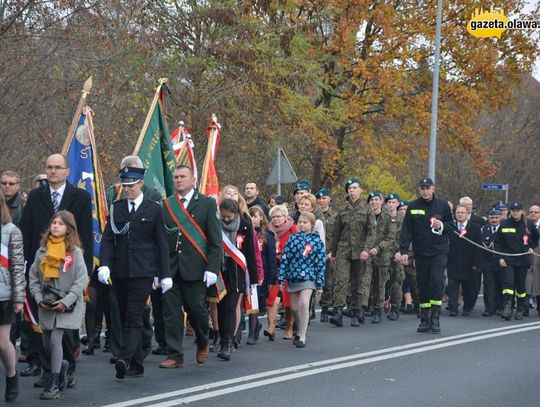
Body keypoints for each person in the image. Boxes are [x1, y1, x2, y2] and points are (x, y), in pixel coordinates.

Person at [22, 154, 92, 386]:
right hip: (41, 267)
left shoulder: (80, 197)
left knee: (64, 326)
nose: (53, 171)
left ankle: (67, 369)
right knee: (42, 325)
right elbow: (27, 231)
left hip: (68, 269)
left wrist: (87, 271)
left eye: (58, 167)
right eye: (49, 167)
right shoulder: (35, 196)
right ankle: (46, 369)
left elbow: (85, 234)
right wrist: (24, 264)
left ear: (67, 171)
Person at [98, 166, 171, 379]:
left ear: (140, 183)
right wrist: (105, 264)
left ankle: (124, 357)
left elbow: (161, 243)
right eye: (125, 185)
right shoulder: (117, 208)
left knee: (134, 316)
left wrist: (164, 273)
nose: (127, 189)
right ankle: (137, 365)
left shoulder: (154, 208)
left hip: (143, 271)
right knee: (122, 314)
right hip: (120, 271)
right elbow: (109, 240)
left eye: (131, 185)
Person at [160, 165, 222, 368]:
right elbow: (160, 239)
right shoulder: (167, 204)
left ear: (192, 179)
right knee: (171, 312)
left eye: (183, 176)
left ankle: (203, 340)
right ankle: (175, 354)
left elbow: (215, 241)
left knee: (197, 310)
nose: (178, 180)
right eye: (176, 177)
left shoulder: (206, 204)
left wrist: (212, 269)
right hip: (171, 268)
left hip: (196, 268)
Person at [28, 211, 87, 399]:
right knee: (46, 343)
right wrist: (38, 298)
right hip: (46, 304)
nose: (55, 226)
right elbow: (33, 278)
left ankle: (54, 384)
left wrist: (65, 301)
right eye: (53, 222)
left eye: (61, 224)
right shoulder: (42, 251)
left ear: (69, 229)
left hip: (67, 305)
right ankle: (60, 365)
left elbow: (80, 280)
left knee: (55, 340)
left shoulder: (75, 252)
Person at [399, 177, 453, 334]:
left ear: (433, 189)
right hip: (420, 252)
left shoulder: (442, 205)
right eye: (422, 188)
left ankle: (435, 317)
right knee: (422, 284)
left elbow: (451, 226)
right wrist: (403, 251)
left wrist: (442, 225)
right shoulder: (413, 206)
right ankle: (424, 318)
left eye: (427, 188)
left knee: (436, 281)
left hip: (439, 251)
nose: (425, 191)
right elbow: (406, 231)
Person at [328, 178, 376, 328]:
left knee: (358, 282)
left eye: (355, 188)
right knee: (341, 280)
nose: (352, 190)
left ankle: (356, 311)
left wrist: (366, 249)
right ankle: (338, 312)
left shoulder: (367, 209)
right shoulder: (343, 209)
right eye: (349, 188)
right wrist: (332, 252)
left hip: (360, 251)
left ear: (360, 190)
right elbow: (336, 232)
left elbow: (371, 231)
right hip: (344, 249)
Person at [217, 199, 258, 359]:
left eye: (229, 217)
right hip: (220, 271)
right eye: (224, 216)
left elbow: (250, 252)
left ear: (235, 213)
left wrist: (253, 278)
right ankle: (222, 338)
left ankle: (228, 342)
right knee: (220, 308)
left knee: (230, 306)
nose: (226, 219)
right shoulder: (215, 223)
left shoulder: (245, 225)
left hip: (237, 272)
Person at [279, 212, 325, 348]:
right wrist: (281, 277)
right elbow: (285, 258)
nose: (302, 224)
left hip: (309, 277)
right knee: (294, 308)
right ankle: (299, 328)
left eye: (305, 222)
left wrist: (320, 283)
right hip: (293, 276)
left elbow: (320, 263)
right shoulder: (293, 239)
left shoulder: (317, 241)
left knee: (304, 304)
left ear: (311, 224)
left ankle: (302, 335)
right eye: (300, 222)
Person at [494, 202, 539, 320]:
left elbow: (536, 237)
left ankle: (520, 308)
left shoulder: (529, 224)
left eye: (518, 210)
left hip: (523, 259)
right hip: (508, 259)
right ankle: (507, 308)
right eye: (513, 210)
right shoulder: (503, 224)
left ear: (522, 211)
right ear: (511, 211)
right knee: (508, 284)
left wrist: (531, 247)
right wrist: (500, 258)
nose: (515, 212)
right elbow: (497, 243)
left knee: (520, 286)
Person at [0, 191, 25, 402]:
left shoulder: (11, 231)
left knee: (3, 343)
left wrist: (18, 297)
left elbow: (17, 267)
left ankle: (11, 375)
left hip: (3, 295)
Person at [266, 205, 297, 340]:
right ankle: (271, 326)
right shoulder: (268, 230)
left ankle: (289, 327)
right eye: (273, 217)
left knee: (288, 298)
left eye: (278, 216)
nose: (276, 219)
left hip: (289, 267)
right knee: (271, 296)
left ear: (285, 217)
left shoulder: (293, 229)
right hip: (274, 267)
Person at [446, 204, 482, 316]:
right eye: (458, 212)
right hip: (453, 262)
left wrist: (476, 262)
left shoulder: (475, 227)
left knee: (469, 288)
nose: (460, 215)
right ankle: (453, 308)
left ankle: (467, 307)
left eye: (462, 212)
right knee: (452, 287)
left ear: (467, 214)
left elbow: (478, 246)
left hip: (469, 263)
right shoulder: (450, 227)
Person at [366, 191, 393, 324]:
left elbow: (390, 237)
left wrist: (378, 248)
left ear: (381, 201)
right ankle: (364, 307)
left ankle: (378, 310)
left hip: (381, 256)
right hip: (367, 255)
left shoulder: (387, 217)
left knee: (379, 285)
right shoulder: (366, 215)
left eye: (376, 199)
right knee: (365, 283)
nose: (374, 202)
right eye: (371, 200)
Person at [249, 205, 277, 331]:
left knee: (259, 299)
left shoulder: (267, 235)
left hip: (263, 272)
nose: (252, 219)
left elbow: (271, 257)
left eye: (255, 216)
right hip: (249, 271)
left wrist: (272, 278)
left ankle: (256, 325)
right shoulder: (245, 232)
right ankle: (251, 325)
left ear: (261, 218)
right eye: (250, 216)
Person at [315, 188, 337, 322]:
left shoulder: (335, 215)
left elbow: (337, 235)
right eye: (319, 198)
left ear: (329, 199)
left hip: (329, 252)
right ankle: (310, 309)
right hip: (316, 252)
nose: (322, 201)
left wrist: (332, 252)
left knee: (328, 282)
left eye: (324, 198)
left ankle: (325, 308)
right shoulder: (314, 215)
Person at [384, 193, 405, 321]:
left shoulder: (403, 219)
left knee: (396, 282)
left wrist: (401, 252)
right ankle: (378, 307)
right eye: (389, 202)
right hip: (383, 254)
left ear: (398, 203)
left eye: (393, 202)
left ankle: (395, 308)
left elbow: (406, 237)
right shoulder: (383, 217)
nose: (391, 205)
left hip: (396, 255)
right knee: (380, 283)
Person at [479, 209, 504, 316]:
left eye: (496, 218)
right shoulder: (483, 229)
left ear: (500, 218)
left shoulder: (504, 229)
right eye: (492, 218)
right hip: (488, 263)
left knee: (501, 286)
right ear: (488, 218)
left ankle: (501, 307)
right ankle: (489, 308)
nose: (494, 220)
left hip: (501, 262)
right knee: (489, 286)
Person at [525, 205, 540, 315]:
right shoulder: (525, 225)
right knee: (527, 282)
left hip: (539, 258)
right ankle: (524, 308)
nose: (533, 214)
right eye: (531, 212)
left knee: (538, 283)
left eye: (536, 212)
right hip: (527, 258)